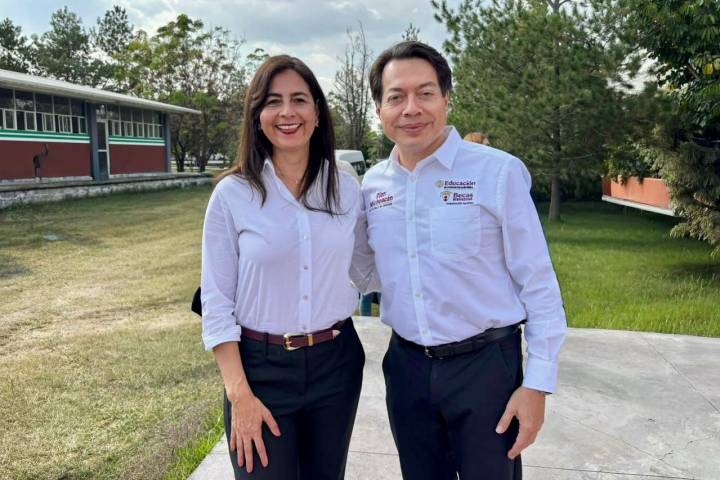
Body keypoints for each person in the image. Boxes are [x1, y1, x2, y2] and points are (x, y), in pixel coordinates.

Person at [352, 41, 567, 479]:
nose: (411, 108)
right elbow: (365, 271)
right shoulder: (373, 186)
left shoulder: (497, 172)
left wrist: (537, 384)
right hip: (407, 368)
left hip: (485, 369)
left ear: (446, 98)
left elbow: (538, 282)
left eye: (425, 93)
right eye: (396, 97)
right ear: (379, 109)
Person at [201, 55, 365, 480]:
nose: (287, 112)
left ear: (317, 112)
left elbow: (373, 266)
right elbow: (216, 304)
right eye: (273, 101)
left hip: (336, 363)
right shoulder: (232, 195)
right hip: (261, 371)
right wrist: (239, 394)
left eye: (299, 99)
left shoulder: (347, 189)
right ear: (257, 117)